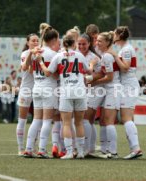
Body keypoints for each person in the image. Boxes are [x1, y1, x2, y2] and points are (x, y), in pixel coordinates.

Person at [38, 34, 92, 159]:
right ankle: (81, 152)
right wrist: (92, 64)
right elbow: (89, 71)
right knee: (79, 123)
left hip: (66, 92)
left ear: (63, 44)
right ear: (74, 44)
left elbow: (47, 73)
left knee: (66, 123)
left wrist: (40, 61)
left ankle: (68, 152)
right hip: (80, 91)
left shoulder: (58, 56)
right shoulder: (80, 56)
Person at [24, 24, 59, 158]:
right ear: (54, 39)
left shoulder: (35, 52)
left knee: (36, 120)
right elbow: (54, 74)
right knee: (46, 120)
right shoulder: (54, 54)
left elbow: (28, 68)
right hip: (48, 89)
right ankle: (42, 149)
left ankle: (28, 148)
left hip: (36, 87)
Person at [88, 32, 121, 159]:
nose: (97, 43)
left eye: (100, 41)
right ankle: (105, 149)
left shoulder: (107, 56)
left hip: (113, 89)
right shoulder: (104, 55)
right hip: (108, 89)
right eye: (97, 41)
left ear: (107, 42)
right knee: (104, 120)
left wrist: (93, 82)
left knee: (108, 121)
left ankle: (113, 152)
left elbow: (110, 77)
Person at [112, 26, 143, 159]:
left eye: (114, 34)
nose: (113, 36)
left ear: (119, 35)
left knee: (126, 118)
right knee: (127, 118)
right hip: (127, 85)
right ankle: (135, 148)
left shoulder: (126, 49)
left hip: (128, 85)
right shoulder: (125, 49)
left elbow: (125, 68)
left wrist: (114, 55)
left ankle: (136, 149)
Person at [78, 33, 101, 155]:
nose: (81, 46)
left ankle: (87, 148)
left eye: (84, 44)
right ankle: (89, 148)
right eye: (79, 44)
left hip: (90, 90)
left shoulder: (94, 57)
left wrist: (90, 78)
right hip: (76, 91)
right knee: (84, 120)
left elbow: (101, 73)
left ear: (89, 44)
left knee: (86, 119)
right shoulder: (74, 54)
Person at [16, 33, 39, 156]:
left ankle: (33, 147)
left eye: (37, 40)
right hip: (26, 89)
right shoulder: (25, 54)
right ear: (28, 42)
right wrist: (32, 53)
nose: (35, 42)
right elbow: (26, 68)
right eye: (33, 41)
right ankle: (20, 148)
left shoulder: (41, 53)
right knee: (22, 119)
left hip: (39, 89)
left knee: (38, 119)